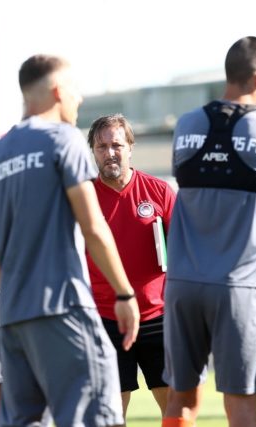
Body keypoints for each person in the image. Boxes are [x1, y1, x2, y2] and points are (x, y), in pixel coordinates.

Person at [0, 54, 140, 427]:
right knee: (95, 417)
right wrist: (124, 294)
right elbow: (93, 226)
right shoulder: (62, 139)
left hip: (12, 319)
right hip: (64, 307)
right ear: (57, 91)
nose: (79, 98)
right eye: (74, 89)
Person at [162, 36, 256, 427]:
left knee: (180, 401)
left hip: (183, 285)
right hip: (239, 286)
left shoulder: (186, 124)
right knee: (240, 406)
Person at [86, 114, 175, 420]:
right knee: (110, 416)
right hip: (105, 318)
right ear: (93, 151)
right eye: (101, 147)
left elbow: (183, 254)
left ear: (130, 147)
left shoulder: (159, 191)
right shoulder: (83, 198)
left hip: (157, 317)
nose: (109, 153)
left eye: (116, 145)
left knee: (175, 412)